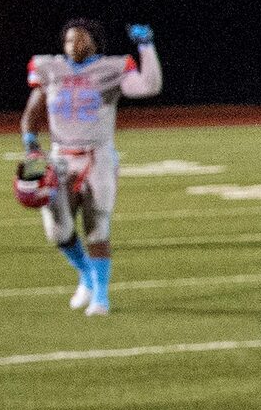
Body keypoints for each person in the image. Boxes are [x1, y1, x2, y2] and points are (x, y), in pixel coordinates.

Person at [21, 18, 162, 315]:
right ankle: (85, 274)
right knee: (57, 231)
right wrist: (31, 141)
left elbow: (149, 86)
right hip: (60, 157)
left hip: (97, 156)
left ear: (95, 43)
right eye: (70, 40)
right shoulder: (50, 68)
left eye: (82, 39)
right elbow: (33, 109)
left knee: (97, 228)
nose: (74, 45)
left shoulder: (111, 68)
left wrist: (146, 47)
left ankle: (101, 294)